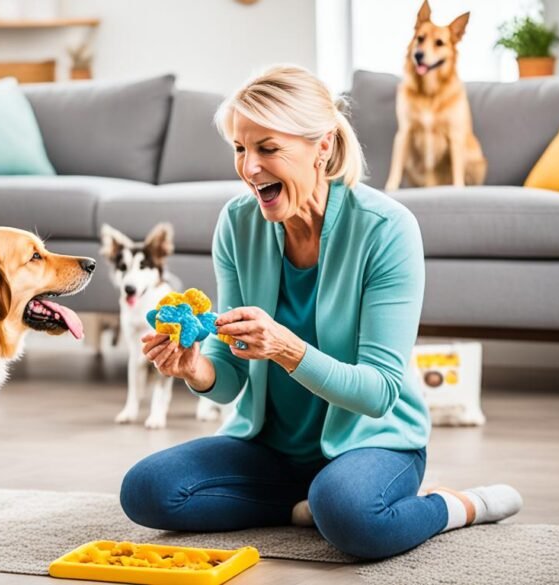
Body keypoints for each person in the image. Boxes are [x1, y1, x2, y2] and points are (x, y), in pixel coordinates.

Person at [119, 64, 522, 559]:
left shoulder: (387, 230)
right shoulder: (237, 224)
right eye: (241, 149)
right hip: (270, 448)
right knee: (146, 491)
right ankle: (301, 505)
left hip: (373, 440)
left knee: (351, 515)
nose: (249, 169)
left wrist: (287, 349)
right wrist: (196, 368)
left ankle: (456, 505)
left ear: (323, 146)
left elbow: (379, 393)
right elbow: (229, 377)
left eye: (268, 149)